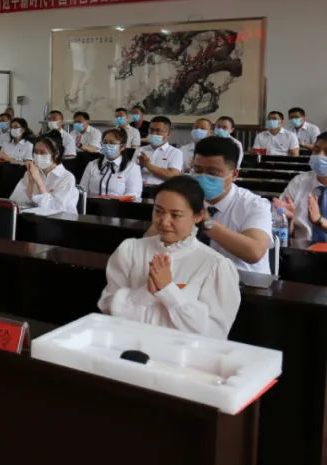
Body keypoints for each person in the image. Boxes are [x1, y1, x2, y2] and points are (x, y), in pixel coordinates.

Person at [98, 176, 240, 339]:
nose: (164, 222)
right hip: (126, 345)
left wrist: (167, 290)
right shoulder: (130, 249)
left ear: (198, 216)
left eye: (176, 215)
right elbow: (107, 305)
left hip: (180, 353)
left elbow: (215, 333)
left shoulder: (214, 265)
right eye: (158, 211)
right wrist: (146, 292)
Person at [177, 137, 272, 277]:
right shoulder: (185, 197)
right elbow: (154, 238)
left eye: (212, 173)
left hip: (243, 281)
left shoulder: (254, 205)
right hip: (195, 277)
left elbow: (254, 252)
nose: (202, 177)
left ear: (234, 174)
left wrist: (207, 223)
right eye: (197, 170)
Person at [277, 132, 327, 243]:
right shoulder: (299, 182)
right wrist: (287, 220)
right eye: (316, 150)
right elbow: (281, 228)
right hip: (300, 250)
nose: (320, 156)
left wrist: (320, 221)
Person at [9, 136, 78, 213]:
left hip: (60, 219)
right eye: (35, 152)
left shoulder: (67, 177)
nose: (38, 156)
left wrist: (39, 181)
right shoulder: (32, 172)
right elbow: (14, 202)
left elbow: (56, 209)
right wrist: (31, 183)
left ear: (56, 154)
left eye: (42, 152)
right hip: (32, 217)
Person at [81, 128, 143, 200]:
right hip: (91, 205)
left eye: (112, 143)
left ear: (122, 147)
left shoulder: (132, 168)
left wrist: (113, 198)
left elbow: (134, 195)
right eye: (105, 142)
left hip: (119, 206)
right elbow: (82, 190)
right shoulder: (92, 164)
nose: (107, 145)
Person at [137, 115, 183, 186]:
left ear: (168, 133)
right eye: (151, 130)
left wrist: (148, 165)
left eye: (158, 131)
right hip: (140, 188)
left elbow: (173, 175)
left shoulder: (175, 152)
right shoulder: (141, 149)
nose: (154, 133)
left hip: (162, 189)